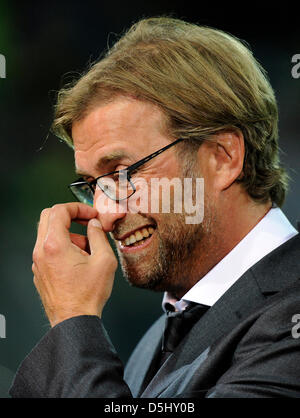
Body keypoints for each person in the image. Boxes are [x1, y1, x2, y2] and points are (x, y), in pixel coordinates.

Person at [10, 17, 300, 398]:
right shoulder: (154, 342)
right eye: (93, 185)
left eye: (123, 172)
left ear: (224, 158)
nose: (106, 212)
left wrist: (73, 319)